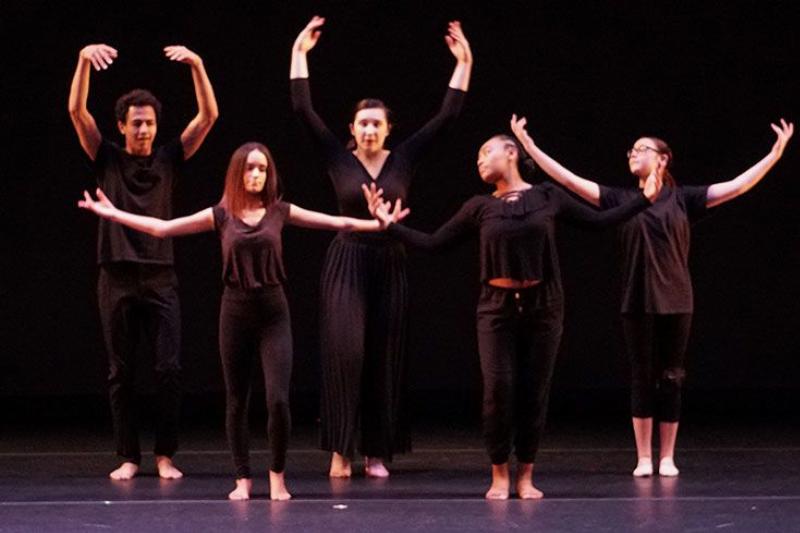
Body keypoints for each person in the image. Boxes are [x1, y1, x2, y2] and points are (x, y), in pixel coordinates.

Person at [79, 142, 401, 500]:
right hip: (234, 311)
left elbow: (337, 222)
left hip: (273, 311)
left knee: (278, 400)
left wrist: (377, 224)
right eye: (249, 169)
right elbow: (162, 228)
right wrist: (114, 215)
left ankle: (277, 477)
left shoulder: (279, 211)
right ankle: (242, 479)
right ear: (237, 173)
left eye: (262, 169)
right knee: (237, 399)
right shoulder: (221, 214)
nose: (256, 175)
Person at [363, 130, 662, 499]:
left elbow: (599, 221)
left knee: (534, 393)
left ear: (511, 153)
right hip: (496, 310)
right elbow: (434, 243)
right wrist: (390, 226)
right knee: (498, 391)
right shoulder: (478, 206)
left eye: (484, 152)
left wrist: (643, 201)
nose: (479, 161)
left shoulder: (548, 197)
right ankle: (500, 473)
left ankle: (526, 475)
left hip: (544, 306)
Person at [510, 114, 794, 477]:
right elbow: (569, 180)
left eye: (641, 149)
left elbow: (737, 186)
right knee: (641, 376)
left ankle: (667, 457)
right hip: (636, 299)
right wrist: (531, 146)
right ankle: (644, 456)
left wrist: (775, 154)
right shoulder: (620, 199)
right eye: (631, 150)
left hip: (677, 299)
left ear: (662, 159)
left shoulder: (683, 199)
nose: (633, 154)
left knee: (672, 376)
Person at [289, 15, 473, 477]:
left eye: (377, 123)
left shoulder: (404, 157)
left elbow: (447, 116)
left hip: (390, 262)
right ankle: (340, 450)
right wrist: (299, 53)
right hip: (347, 260)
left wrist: (464, 62)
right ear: (352, 127)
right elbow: (302, 111)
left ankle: (375, 450)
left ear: (389, 128)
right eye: (362, 123)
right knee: (345, 351)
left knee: (383, 353)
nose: (369, 129)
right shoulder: (337, 157)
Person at [68, 43, 219, 480]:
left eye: (150, 124)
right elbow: (79, 113)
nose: (144, 131)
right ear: (122, 126)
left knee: (169, 368)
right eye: (136, 124)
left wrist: (198, 64)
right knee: (121, 371)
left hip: (160, 275)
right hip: (115, 273)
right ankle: (129, 455)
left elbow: (207, 118)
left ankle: (165, 454)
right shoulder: (108, 158)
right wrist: (82, 61)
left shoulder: (169, 158)